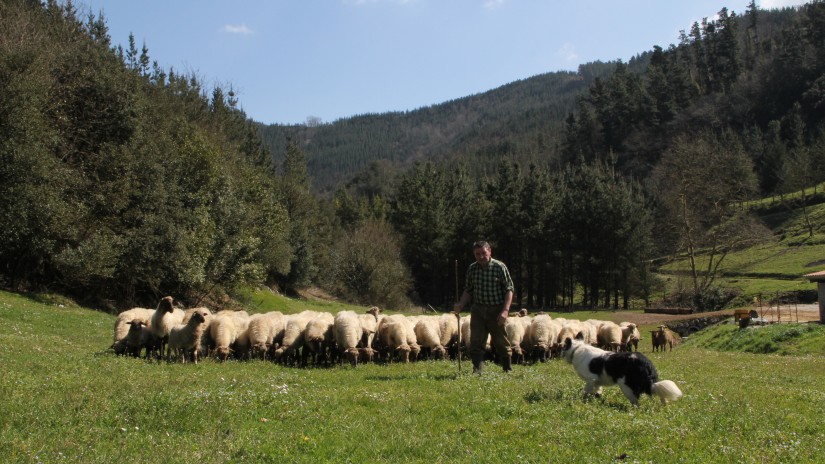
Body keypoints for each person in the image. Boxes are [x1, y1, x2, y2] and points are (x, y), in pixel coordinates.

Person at [453, 240, 514, 374]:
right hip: (478, 310)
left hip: (496, 309)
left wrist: (505, 310)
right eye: (477, 254)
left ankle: (507, 368)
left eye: (483, 253)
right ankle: (477, 370)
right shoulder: (472, 268)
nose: (481, 256)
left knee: (500, 340)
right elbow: (468, 290)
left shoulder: (500, 267)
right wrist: (460, 304)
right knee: (476, 341)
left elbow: (509, 289)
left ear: (489, 251)